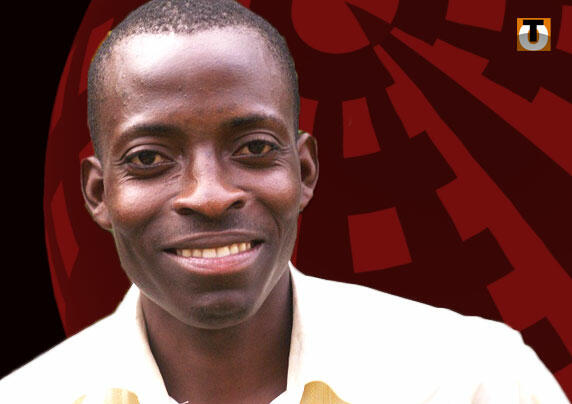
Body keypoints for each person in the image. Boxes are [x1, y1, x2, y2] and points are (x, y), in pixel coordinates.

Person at [0, 0, 568, 403]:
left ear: (304, 171)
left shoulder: (476, 382)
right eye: (149, 158)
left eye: (253, 148)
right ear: (99, 193)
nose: (210, 195)